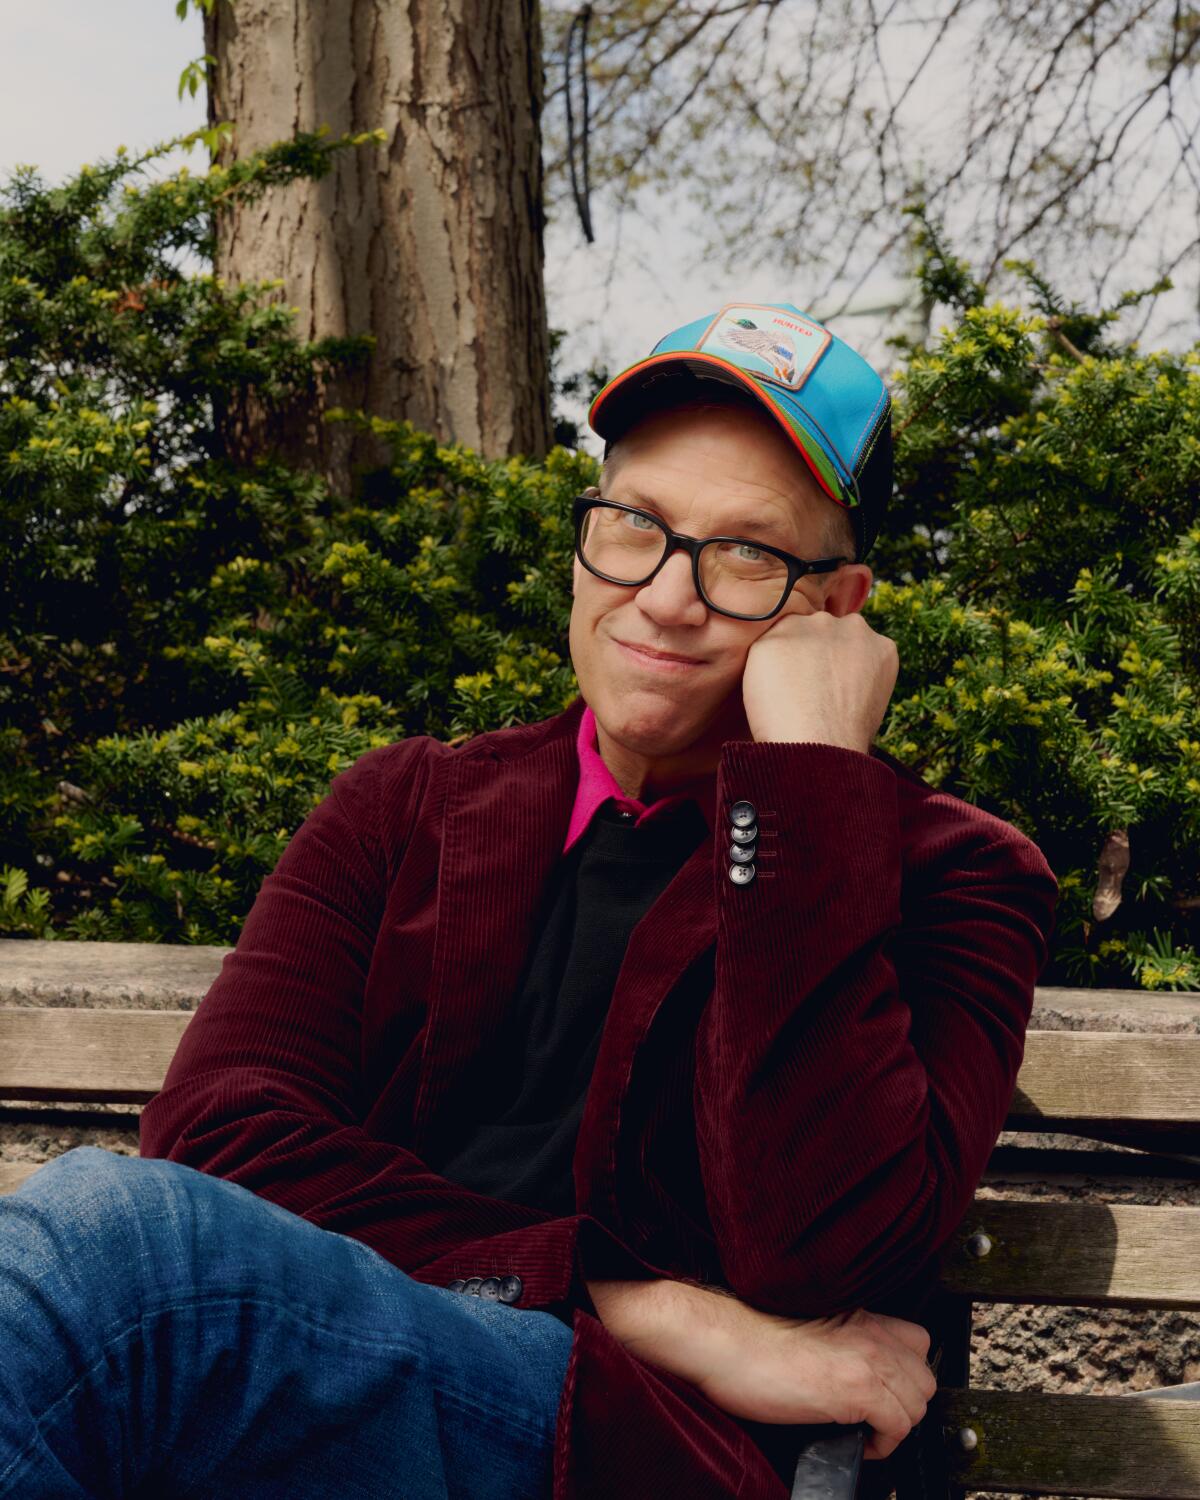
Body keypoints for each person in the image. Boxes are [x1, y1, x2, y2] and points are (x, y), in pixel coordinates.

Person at [0, 302, 1058, 1499]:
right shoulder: (408, 808)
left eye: (747, 555)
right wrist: (649, 1306)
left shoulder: (952, 876)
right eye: (634, 527)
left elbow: (816, 1252)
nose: (665, 597)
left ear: (837, 604)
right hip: (326, 1407)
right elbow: (225, 1142)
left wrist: (813, 780)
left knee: (122, 1251)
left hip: (644, 1456)